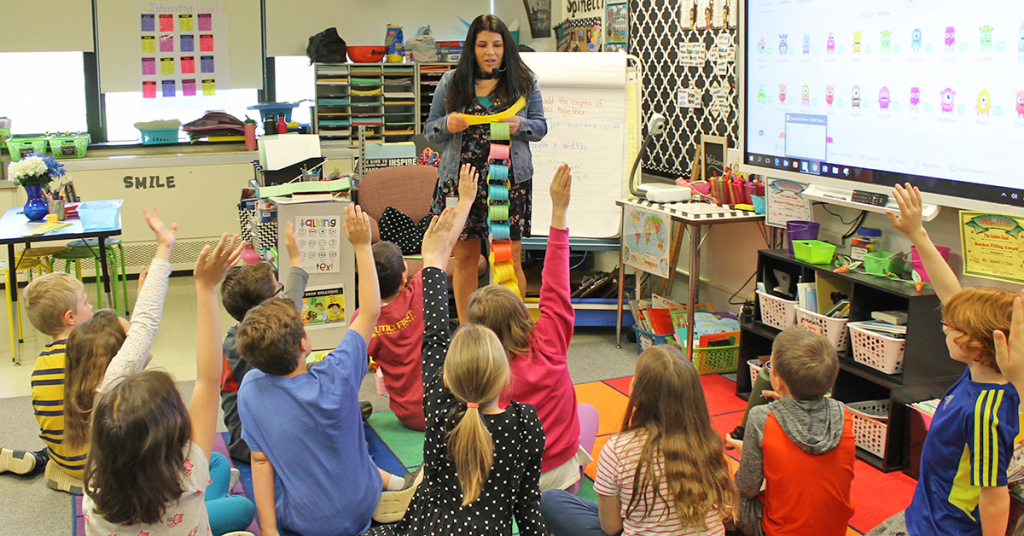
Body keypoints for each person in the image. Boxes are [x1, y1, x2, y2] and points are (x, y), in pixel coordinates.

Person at [362, 206, 546, 536]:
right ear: (504, 376)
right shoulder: (525, 422)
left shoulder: (440, 410)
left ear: (444, 380)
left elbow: (434, 337)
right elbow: (528, 510)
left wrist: (431, 258)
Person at [237, 205, 417, 536]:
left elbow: (260, 463)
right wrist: (362, 246)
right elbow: (370, 312)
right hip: (362, 503)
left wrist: (271, 531)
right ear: (305, 342)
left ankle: (392, 487)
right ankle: (393, 488)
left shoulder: (249, 388)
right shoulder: (338, 372)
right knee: (354, 448)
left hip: (308, 524)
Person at [867, 184, 1021, 536]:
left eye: (950, 327)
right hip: (922, 513)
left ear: (977, 345)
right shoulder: (988, 372)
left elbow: (995, 497)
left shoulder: (984, 411)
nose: (943, 327)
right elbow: (953, 296)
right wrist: (918, 233)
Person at [82, 232, 255, 536]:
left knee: (215, 463)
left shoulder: (95, 485)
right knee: (242, 507)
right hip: (190, 506)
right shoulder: (188, 474)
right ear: (173, 433)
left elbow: (203, 378)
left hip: (178, 509)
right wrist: (205, 286)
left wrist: (198, 283)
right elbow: (207, 378)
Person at [467, 164, 588, 492]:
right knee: (587, 414)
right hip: (562, 476)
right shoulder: (551, 338)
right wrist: (558, 211)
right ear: (522, 313)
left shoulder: (482, 371)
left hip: (508, 481)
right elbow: (556, 283)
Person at [424, 14, 548, 322]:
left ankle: (512, 330)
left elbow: (541, 127)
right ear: (472, 48)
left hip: (508, 183)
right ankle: (469, 332)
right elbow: (430, 130)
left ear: (506, 47)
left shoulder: (523, 81)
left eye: (497, 44)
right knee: (465, 258)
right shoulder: (451, 82)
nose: (490, 51)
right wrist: (446, 124)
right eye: (482, 45)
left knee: (509, 259)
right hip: (461, 182)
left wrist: (520, 124)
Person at [541, 344, 737, 536]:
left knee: (550, 501)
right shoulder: (708, 441)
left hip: (627, 522)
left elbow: (611, 527)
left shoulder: (619, 449)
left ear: (638, 392)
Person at [354, 164, 478, 432]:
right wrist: (467, 199)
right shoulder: (421, 291)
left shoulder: (363, 319)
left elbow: (350, 368)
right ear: (403, 278)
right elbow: (447, 245)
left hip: (407, 418)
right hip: (447, 409)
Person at [731, 327, 856, 536]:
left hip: (778, 530)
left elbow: (747, 487)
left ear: (778, 382)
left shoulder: (762, 417)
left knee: (728, 496)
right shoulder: (843, 415)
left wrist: (746, 453)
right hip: (834, 531)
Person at [219, 221, 309, 462]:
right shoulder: (258, 345)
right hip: (256, 446)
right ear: (268, 305)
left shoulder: (236, 338)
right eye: (278, 289)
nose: (282, 293)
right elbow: (290, 307)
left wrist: (296, 261)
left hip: (243, 438)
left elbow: (290, 302)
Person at [10, 272, 95, 489]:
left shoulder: (41, 364)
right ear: (70, 318)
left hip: (62, 455)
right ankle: (74, 477)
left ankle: (47, 461)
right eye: (85, 302)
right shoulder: (91, 353)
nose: (91, 307)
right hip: (97, 465)